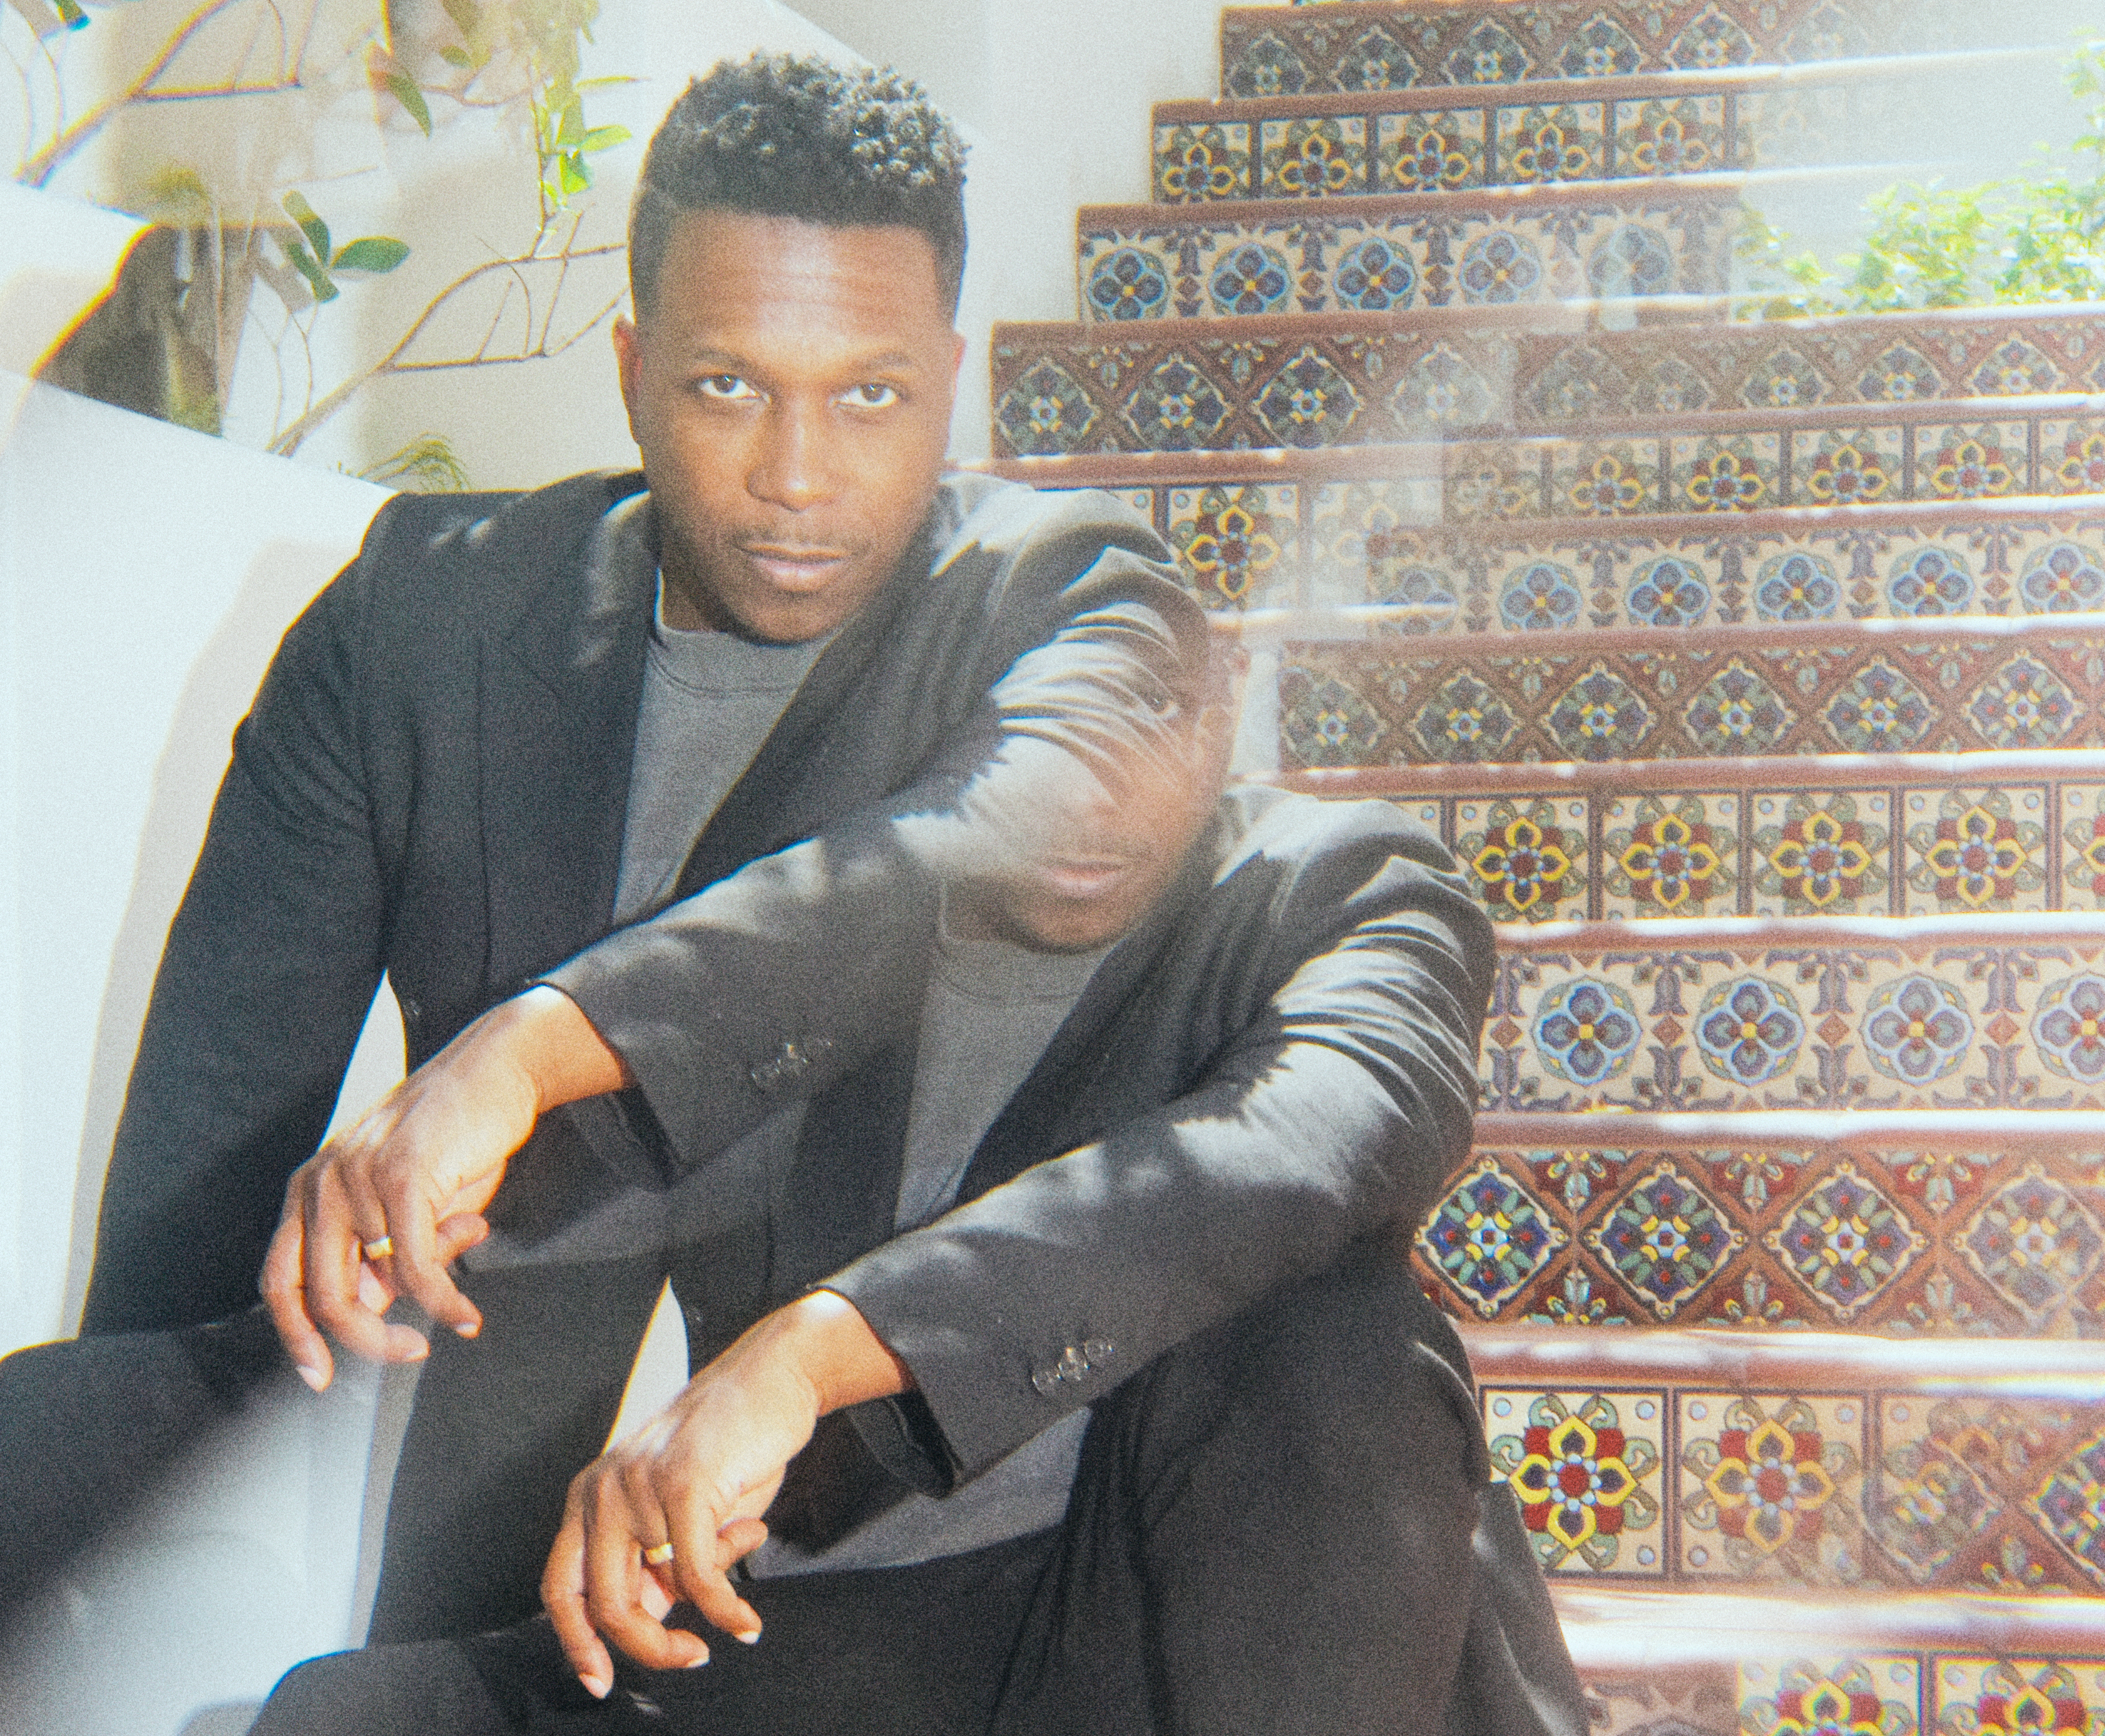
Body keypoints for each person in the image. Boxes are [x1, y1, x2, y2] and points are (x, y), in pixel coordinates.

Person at [0, 55, 1216, 1732]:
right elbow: (200, 1191)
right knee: (49, 1430)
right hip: (487, 1378)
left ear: (949, 384)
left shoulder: (1053, 614)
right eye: (728, 386)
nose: (798, 472)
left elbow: (1009, 859)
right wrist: (155, 1492)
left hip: (868, 1463)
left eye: (868, 396)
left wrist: (522, 1051)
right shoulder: (425, 627)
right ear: (634, 372)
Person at [245, 689, 1588, 1735]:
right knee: (344, 1712)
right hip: (865, 1627)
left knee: (1331, 1331)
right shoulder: (818, 925)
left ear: (1216, 718)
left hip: (1220, 1613)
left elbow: (1317, 1139)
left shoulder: (1336, 882)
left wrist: (811, 1348)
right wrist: (425, 1165)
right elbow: (578, 1213)